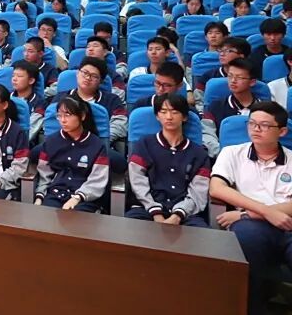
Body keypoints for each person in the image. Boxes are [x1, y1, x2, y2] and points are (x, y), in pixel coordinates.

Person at [210, 101, 292, 315]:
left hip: (286, 223)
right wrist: (266, 212)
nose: (256, 129)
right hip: (252, 227)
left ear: (282, 131)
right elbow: (217, 188)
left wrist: (246, 214)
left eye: (264, 125)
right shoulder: (232, 153)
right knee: (247, 238)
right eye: (252, 123)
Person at [126, 93, 210, 227]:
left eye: (175, 112)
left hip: (186, 213)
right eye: (163, 112)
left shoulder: (199, 153)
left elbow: (198, 191)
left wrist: (178, 215)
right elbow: (137, 181)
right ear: (157, 116)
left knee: (201, 233)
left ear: (184, 117)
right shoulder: (144, 144)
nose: (169, 117)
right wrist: (155, 211)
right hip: (146, 208)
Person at [35, 95, 110, 212]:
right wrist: (39, 197)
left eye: (68, 115)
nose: (63, 120)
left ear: (82, 116)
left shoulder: (97, 145)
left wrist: (77, 197)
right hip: (55, 194)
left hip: (86, 198)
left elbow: (97, 179)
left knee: (75, 219)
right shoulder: (51, 141)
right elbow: (44, 175)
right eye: (59, 116)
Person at [203, 58, 264, 158]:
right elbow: (207, 135)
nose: (233, 81)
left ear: (252, 82)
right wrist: (224, 155)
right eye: (230, 76)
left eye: (239, 77)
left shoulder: (266, 110)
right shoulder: (214, 106)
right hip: (222, 158)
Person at [11, 60, 47, 143]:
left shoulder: (40, 104)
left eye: (19, 76)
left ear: (31, 81)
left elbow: (31, 130)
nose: (14, 79)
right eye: (13, 76)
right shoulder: (5, 97)